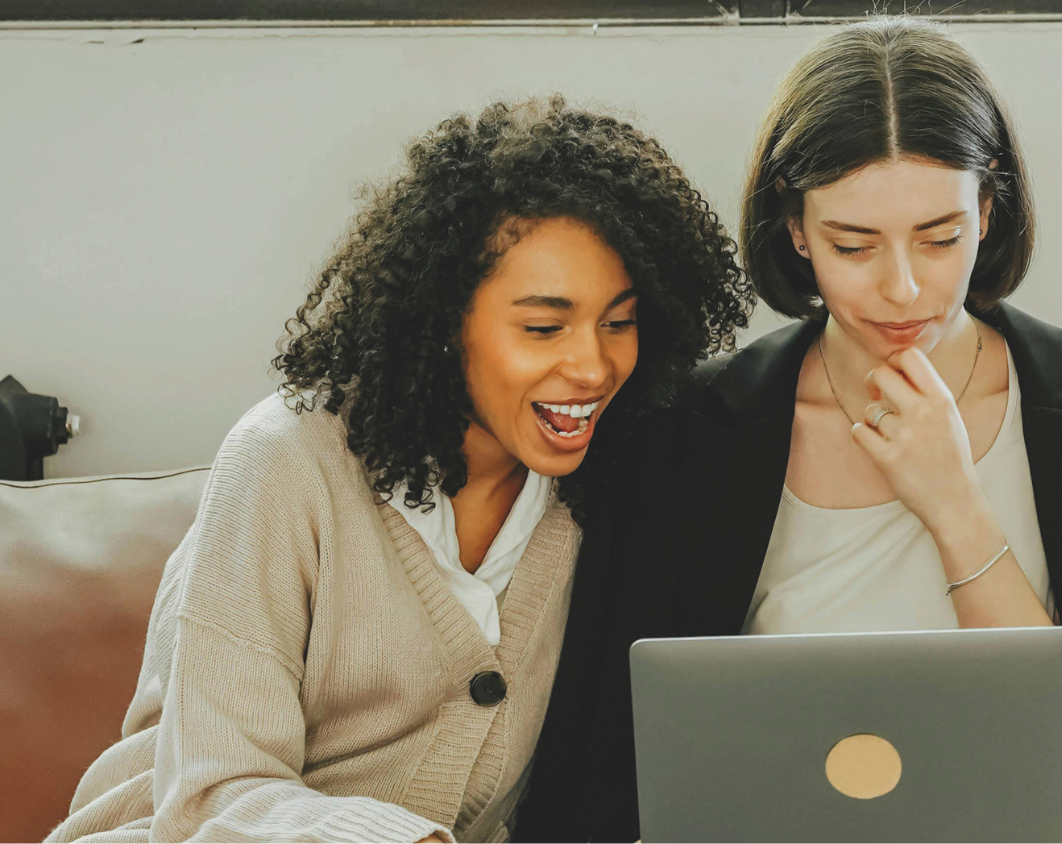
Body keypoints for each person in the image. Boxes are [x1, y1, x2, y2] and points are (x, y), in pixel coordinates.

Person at [515, 16, 1062, 843]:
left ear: (987, 211)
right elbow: (628, 764)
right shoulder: (691, 433)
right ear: (797, 228)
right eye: (854, 245)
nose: (903, 289)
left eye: (940, 237)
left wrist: (954, 506)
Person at [49, 98, 752, 843]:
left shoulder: (609, 483)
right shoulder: (286, 461)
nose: (593, 365)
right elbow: (212, 794)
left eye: (619, 322)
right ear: (444, 322)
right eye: (543, 327)